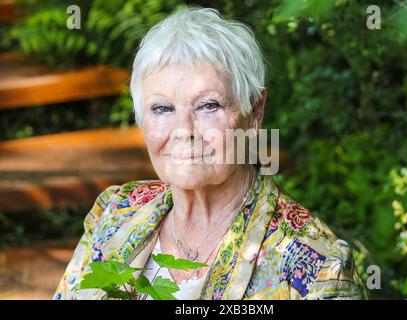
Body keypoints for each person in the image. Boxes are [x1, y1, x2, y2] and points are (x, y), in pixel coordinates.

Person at [54, 7, 364, 300]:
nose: (184, 130)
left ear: (255, 111)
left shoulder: (316, 265)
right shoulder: (116, 213)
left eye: (208, 106)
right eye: (162, 108)